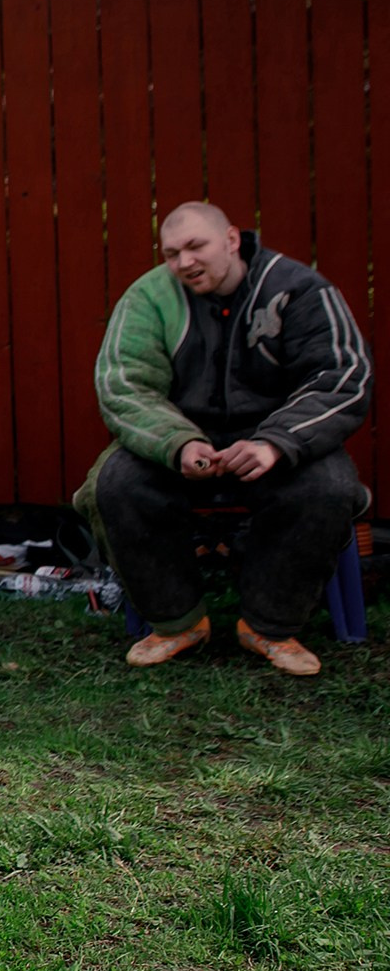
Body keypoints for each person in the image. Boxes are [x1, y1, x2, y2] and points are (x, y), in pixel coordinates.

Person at [83, 202, 373, 677]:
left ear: (232, 239)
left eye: (197, 246)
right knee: (116, 484)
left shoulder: (299, 289)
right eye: (172, 252)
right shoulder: (149, 297)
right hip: (182, 437)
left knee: (328, 488)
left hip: (279, 439)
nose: (184, 262)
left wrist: (274, 443)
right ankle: (178, 622)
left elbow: (343, 378)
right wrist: (177, 442)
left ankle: (269, 626)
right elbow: (123, 385)